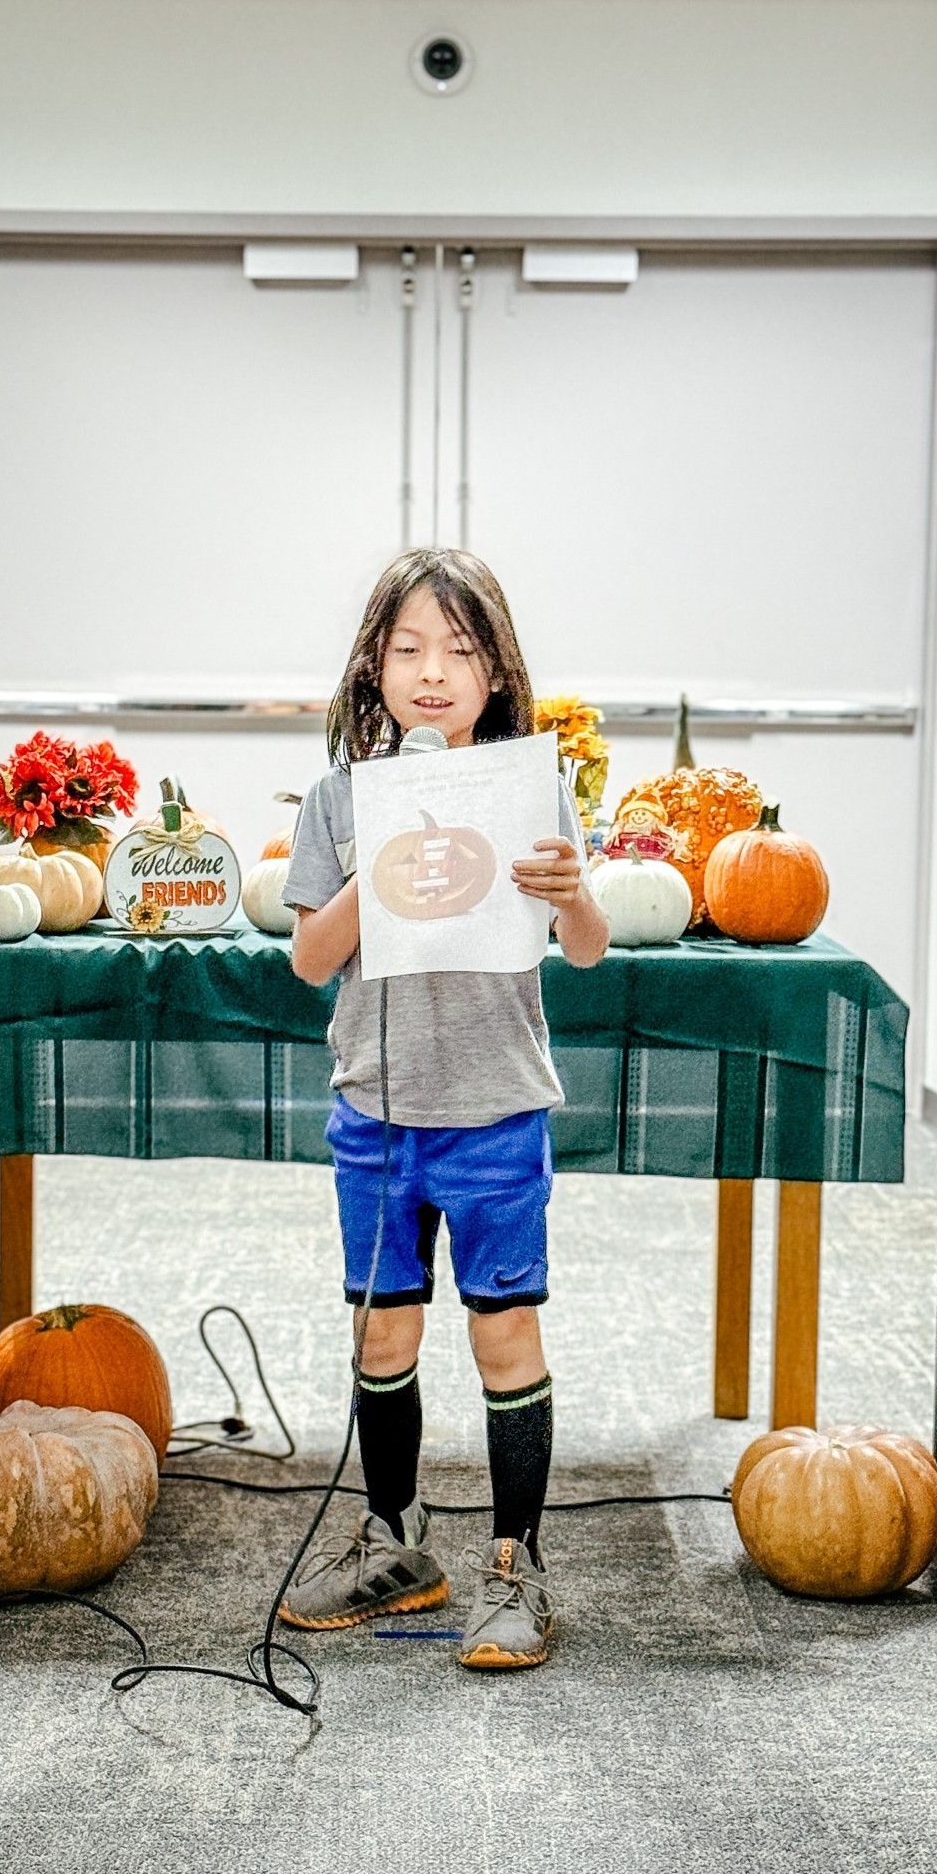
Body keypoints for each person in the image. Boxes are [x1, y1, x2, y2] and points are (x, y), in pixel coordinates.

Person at [277, 547, 610, 1672]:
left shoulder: (530, 789)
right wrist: (377, 863)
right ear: (373, 666)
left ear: (496, 671)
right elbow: (308, 961)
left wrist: (575, 894)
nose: (432, 673)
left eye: (459, 652)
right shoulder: (339, 798)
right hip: (377, 1112)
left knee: (503, 1330)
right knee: (384, 1328)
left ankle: (518, 1563)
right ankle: (397, 1541)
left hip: (495, 1108)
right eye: (409, 649)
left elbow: (585, 946)